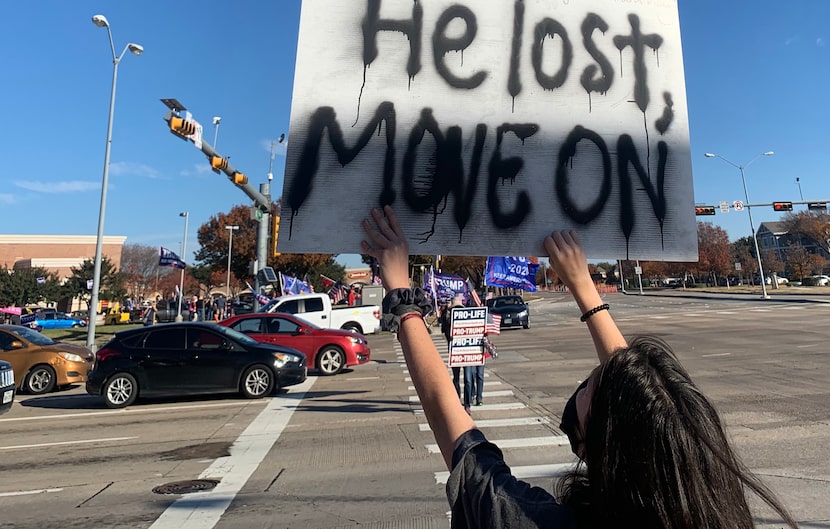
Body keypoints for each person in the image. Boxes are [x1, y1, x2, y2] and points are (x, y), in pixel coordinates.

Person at [361, 206, 798, 529]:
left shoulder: (534, 521)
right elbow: (644, 410)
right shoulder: (706, 509)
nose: (591, 377)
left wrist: (401, 294)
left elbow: (454, 429)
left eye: (592, 385)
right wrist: (584, 287)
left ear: (602, 441)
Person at [441, 295, 465, 405]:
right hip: (454, 349)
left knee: (469, 376)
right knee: (456, 376)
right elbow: (444, 328)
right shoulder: (448, 319)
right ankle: (457, 394)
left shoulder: (467, 318)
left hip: (467, 350)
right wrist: (446, 312)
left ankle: (471, 395)